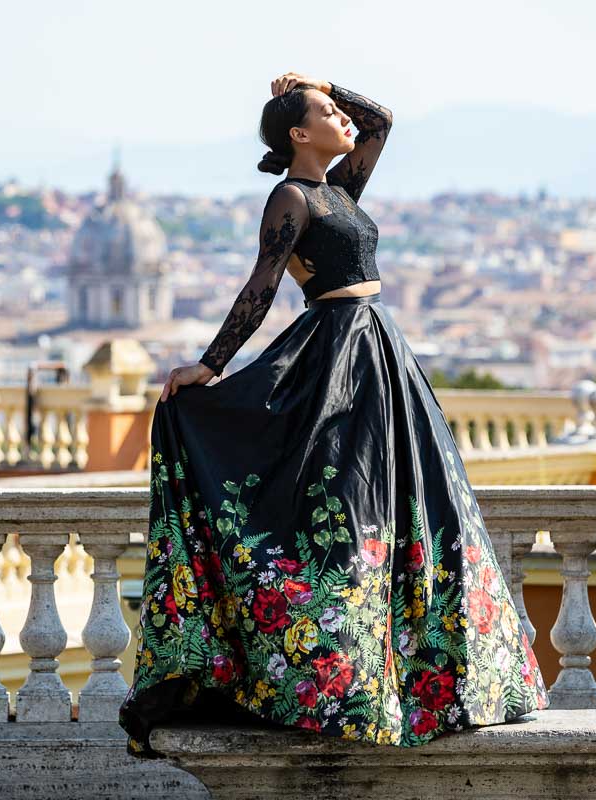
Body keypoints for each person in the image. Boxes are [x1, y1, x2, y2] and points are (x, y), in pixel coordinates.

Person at [118, 72, 548, 757]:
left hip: (377, 350)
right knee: (346, 511)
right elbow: (261, 284)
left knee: (420, 503)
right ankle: (331, 683)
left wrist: (323, 84)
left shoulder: (340, 188)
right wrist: (212, 366)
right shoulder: (290, 196)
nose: (343, 119)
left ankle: (432, 685)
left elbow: (381, 121)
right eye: (326, 113)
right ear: (297, 134)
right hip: (335, 354)